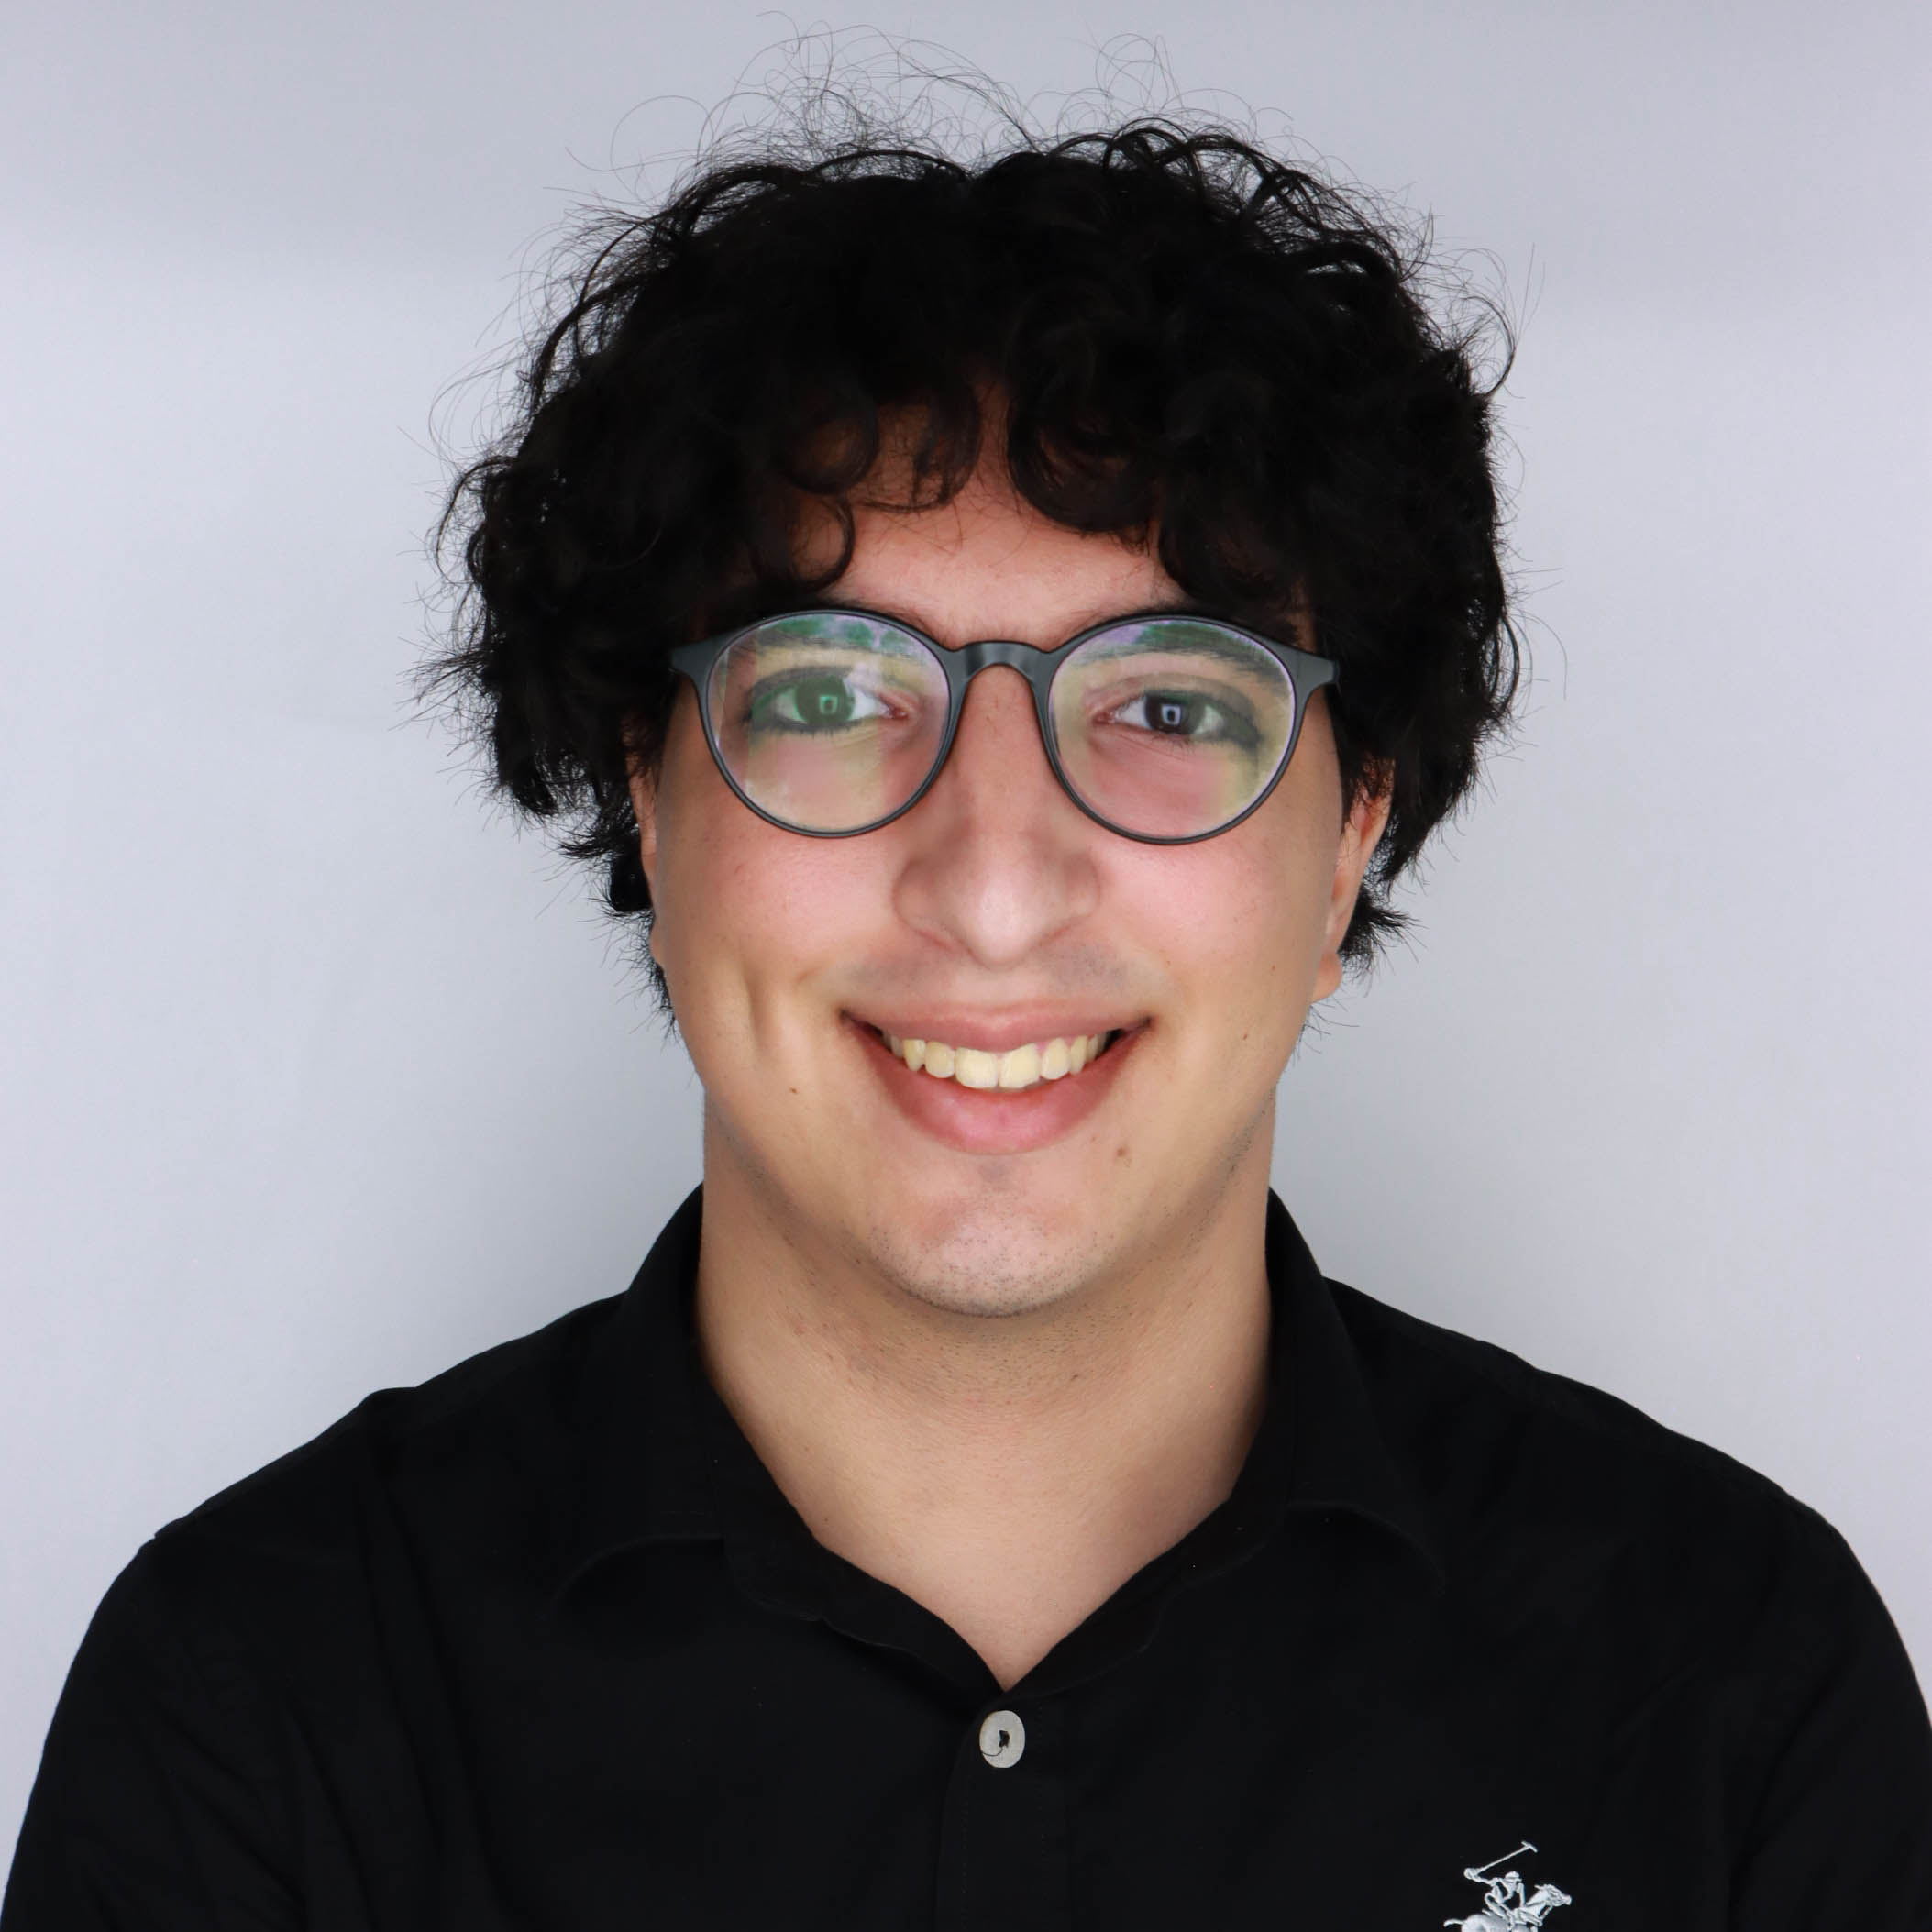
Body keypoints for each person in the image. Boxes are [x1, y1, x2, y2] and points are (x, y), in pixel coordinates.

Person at [6, 105, 1930, 1931]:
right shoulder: (255, 1705)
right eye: (834, 696)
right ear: (646, 797)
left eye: (1171, 704)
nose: (992, 880)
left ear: (1352, 832)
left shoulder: (1722, 1684)